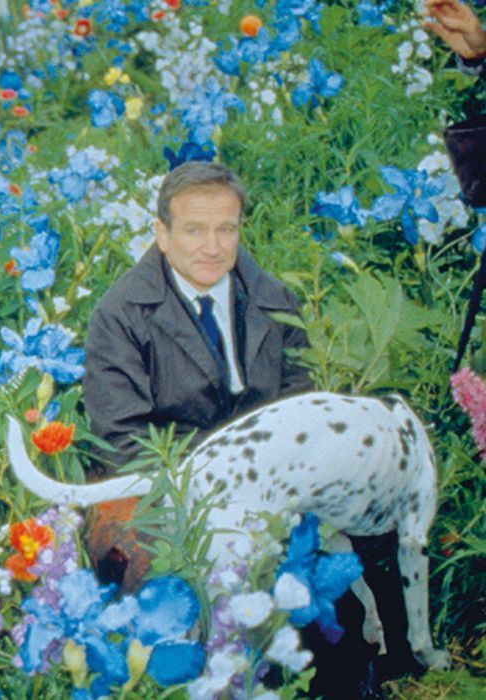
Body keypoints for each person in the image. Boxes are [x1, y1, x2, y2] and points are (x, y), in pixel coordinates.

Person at [81, 161, 405, 697]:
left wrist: (279, 493)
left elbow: (304, 414)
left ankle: (362, 665)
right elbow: (122, 444)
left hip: (276, 490)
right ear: (161, 235)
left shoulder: (273, 298)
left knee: (333, 615)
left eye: (226, 229)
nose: (212, 246)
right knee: (188, 620)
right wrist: (226, 498)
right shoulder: (120, 314)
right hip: (171, 495)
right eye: (194, 230)